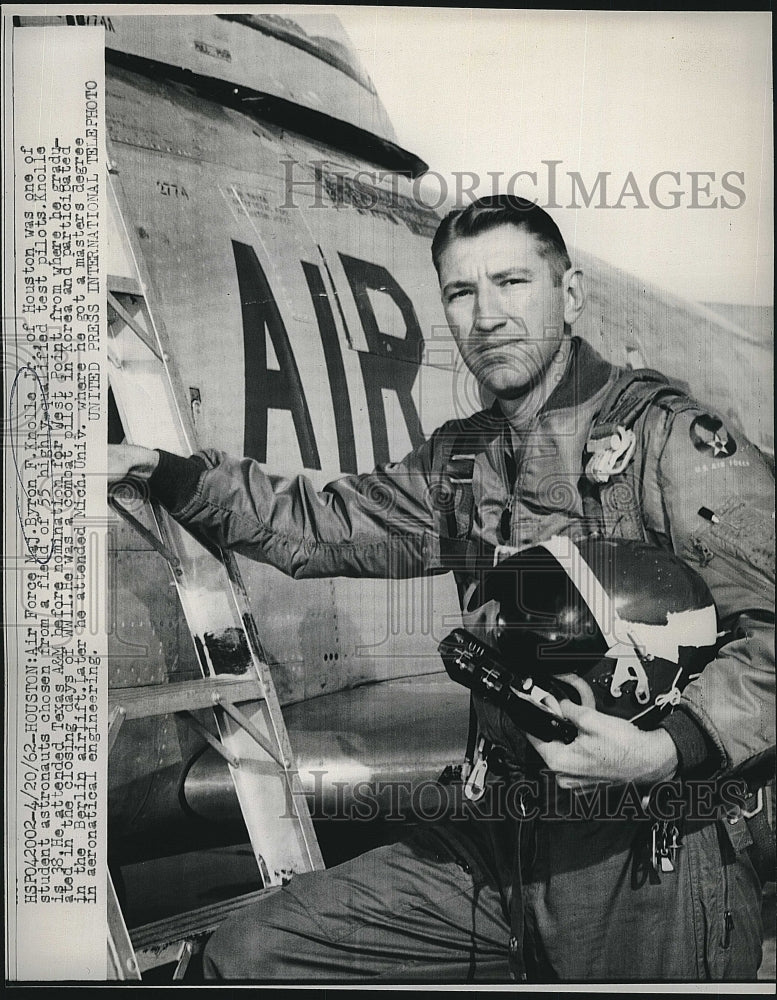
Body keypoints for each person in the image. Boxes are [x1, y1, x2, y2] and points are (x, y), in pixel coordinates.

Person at [108, 196, 774, 981]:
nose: (486, 316)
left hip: (637, 859)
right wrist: (172, 472)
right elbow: (322, 527)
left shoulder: (666, 440)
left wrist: (666, 750)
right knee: (252, 956)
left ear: (570, 295)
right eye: (461, 293)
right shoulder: (464, 462)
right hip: (496, 836)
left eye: (512, 284)